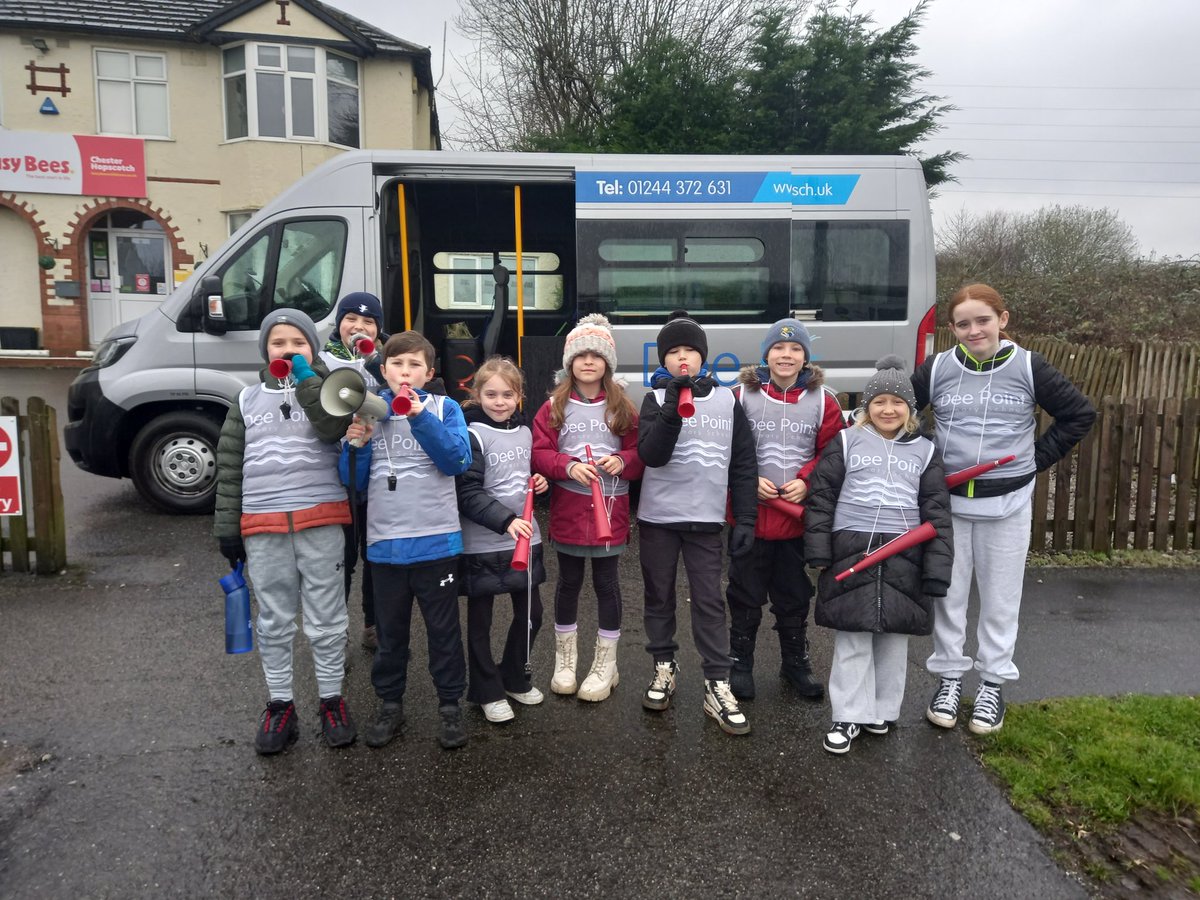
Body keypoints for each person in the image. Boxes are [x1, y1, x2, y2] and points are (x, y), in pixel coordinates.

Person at [914, 283, 1095, 735]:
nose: (974, 330)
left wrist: (1036, 459)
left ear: (1003, 320)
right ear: (951, 328)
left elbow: (1079, 414)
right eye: (963, 323)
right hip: (949, 505)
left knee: (1000, 601)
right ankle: (950, 680)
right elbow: (897, 412)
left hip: (1008, 504)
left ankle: (992, 685)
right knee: (948, 597)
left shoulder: (1029, 366)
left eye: (983, 320)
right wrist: (921, 457)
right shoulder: (937, 367)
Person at [213, 308, 356, 755]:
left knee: (327, 618)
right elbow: (231, 466)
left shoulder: (326, 391)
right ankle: (280, 704)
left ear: (312, 349)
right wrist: (227, 528)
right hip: (263, 524)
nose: (288, 350)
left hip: (321, 519)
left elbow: (333, 426)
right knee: (274, 619)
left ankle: (331, 700)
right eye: (279, 343)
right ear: (264, 350)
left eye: (299, 343)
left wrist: (307, 376)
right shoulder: (245, 399)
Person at [804, 356, 954, 754]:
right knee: (853, 637)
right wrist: (819, 550)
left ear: (910, 409)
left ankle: (881, 712)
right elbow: (821, 497)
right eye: (879, 402)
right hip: (852, 550)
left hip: (906, 556)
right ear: (867, 407)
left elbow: (937, 512)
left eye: (898, 402)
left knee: (894, 637)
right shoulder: (846, 441)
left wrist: (937, 570)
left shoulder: (925, 451)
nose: (888, 409)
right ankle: (849, 715)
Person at [341, 331, 473, 750]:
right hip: (386, 547)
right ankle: (389, 705)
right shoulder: (370, 412)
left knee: (444, 633)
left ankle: (450, 707)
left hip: (436, 545)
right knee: (390, 636)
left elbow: (457, 460)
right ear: (383, 370)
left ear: (429, 373)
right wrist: (356, 447)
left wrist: (419, 416)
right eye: (397, 364)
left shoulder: (444, 407)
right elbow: (353, 485)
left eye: (415, 365)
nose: (405, 372)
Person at [637, 310, 758, 736]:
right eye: (673, 352)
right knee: (659, 596)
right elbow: (651, 455)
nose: (682, 357)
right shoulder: (652, 400)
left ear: (703, 357)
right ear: (663, 360)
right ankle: (663, 666)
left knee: (709, 600)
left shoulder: (728, 400)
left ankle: (717, 683)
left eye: (690, 350)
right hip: (659, 519)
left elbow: (744, 464)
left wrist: (745, 517)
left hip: (706, 520)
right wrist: (672, 407)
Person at [726, 318, 845, 703]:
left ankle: (795, 662)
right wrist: (748, 480)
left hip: (796, 520)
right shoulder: (739, 396)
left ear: (806, 357)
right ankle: (740, 663)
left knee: (794, 595)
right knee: (744, 593)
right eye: (778, 348)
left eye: (795, 349)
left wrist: (807, 481)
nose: (786, 355)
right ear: (766, 353)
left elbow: (832, 452)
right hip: (751, 515)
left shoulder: (825, 400)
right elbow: (724, 448)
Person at [532, 314, 643, 703]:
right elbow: (540, 452)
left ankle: (605, 664)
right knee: (568, 583)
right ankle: (565, 661)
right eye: (582, 356)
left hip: (610, 508)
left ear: (608, 364)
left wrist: (623, 463)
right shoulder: (552, 407)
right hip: (568, 508)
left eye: (597, 355)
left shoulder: (624, 406)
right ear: (570, 362)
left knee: (607, 584)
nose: (589, 362)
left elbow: (638, 453)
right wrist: (567, 465)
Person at [456, 357, 550, 723]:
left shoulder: (526, 432)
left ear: (519, 397)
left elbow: (522, 476)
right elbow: (467, 492)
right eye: (491, 394)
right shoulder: (471, 434)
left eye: (507, 394)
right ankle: (486, 690)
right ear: (477, 395)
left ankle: (514, 677)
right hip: (482, 542)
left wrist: (538, 483)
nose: (499, 401)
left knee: (533, 615)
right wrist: (505, 520)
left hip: (525, 539)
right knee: (480, 622)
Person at [319, 291, 388, 653]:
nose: (359, 327)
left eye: (368, 322)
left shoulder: (386, 360)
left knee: (374, 557)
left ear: (378, 330)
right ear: (339, 323)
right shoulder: (320, 360)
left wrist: (375, 360)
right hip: (336, 478)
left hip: (378, 479)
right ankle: (336, 631)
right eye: (351, 320)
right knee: (341, 559)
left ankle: (373, 623)